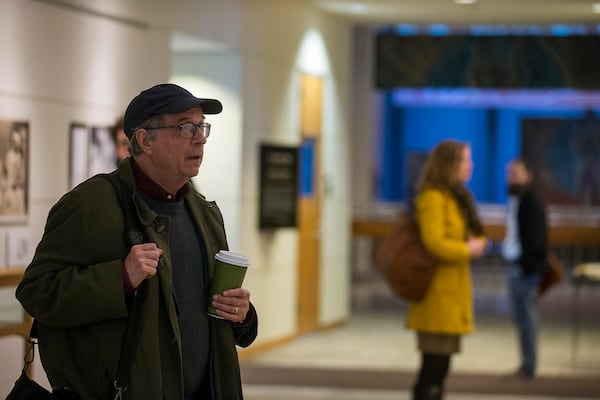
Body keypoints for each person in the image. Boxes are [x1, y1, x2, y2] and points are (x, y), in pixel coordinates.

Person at [16, 83, 258, 400]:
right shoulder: (89, 207)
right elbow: (36, 293)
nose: (199, 138)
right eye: (186, 127)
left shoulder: (204, 213)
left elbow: (197, 309)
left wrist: (242, 315)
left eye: (202, 127)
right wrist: (120, 278)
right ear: (145, 140)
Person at [406, 139, 487, 400]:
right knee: (433, 367)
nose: (470, 166)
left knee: (442, 367)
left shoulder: (456, 197)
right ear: (450, 164)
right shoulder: (432, 197)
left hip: (452, 294)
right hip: (436, 296)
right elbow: (434, 242)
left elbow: (472, 233)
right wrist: (467, 249)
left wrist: (477, 243)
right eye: (465, 160)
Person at [501, 157, 549, 379]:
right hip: (517, 266)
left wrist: (525, 266)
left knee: (528, 318)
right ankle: (525, 364)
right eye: (509, 173)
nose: (512, 177)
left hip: (526, 270)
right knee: (520, 318)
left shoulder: (532, 202)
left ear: (528, 176)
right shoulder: (515, 200)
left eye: (517, 173)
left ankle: (529, 365)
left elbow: (537, 240)